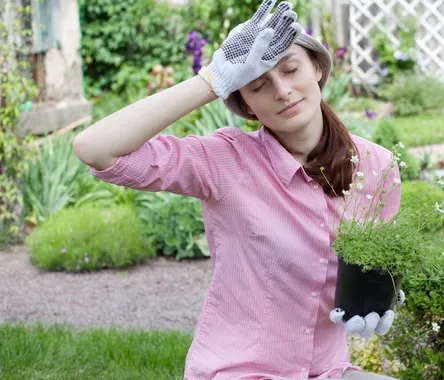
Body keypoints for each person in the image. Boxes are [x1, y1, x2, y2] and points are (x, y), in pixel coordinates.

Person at [73, 1, 402, 379]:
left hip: (327, 371)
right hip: (238, 370)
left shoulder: (377, 167)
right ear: (244, 102)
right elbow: (95, 148)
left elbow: (373, 269)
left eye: (291, 69)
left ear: (317, 68)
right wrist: (211, 81)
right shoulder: (225, 161)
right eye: (259, 84)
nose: (282, 91)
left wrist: (384, 290)